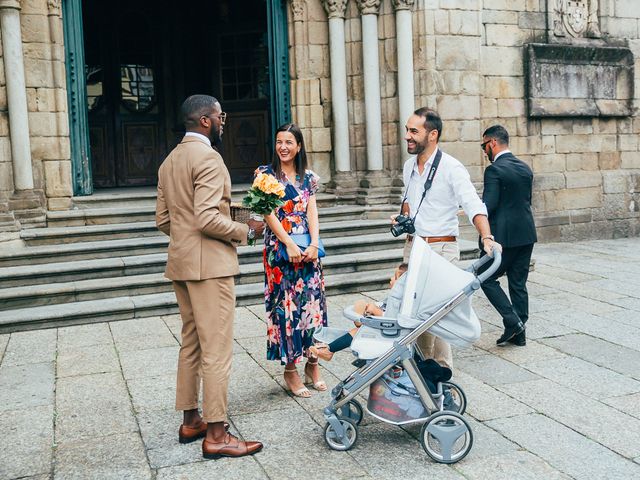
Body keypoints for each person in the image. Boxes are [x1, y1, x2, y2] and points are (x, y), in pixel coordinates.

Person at [156, 95, 264, 459]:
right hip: (210, 268)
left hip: (182, 265)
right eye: (220, 117)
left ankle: (191, 420)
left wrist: (190, 242)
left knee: (192, 343)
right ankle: (216, 435)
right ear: (205, 120)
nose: (223, 122)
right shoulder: (209, 158)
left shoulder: (171, 160)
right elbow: (206, 217)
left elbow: (164, 220)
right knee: (216, 350)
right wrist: (245, 231)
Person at [395, 107, 499, 369]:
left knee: (440, 315)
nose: (407, 135)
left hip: (442, 248)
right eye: (407, 129)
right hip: (415, 247)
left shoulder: (452, 167)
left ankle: (442, 372)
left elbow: (474, 205)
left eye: (413, 131)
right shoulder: (409, 167)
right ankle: (419, 370)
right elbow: (411, 204)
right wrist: (402, 217)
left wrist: (486, 237)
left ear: (432, 134)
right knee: (414, 314)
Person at [257, 123, 328, 398]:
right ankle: (290, 369)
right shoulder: (265, 175)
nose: (283, 147)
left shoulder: (309, 178)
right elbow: (266, 213)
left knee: (312, 306)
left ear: (299, 146)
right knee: (285, 310)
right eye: (279, 142)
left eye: (289, 142)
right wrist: (288, 242)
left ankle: (313, 362)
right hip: (280, 251)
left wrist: (312, 243)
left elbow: (312, 211)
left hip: (307, 250)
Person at [479, 125, 536, 346]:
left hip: (504, 237)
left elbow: (489, 206)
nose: (484, 151)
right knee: (518, 284)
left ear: (492, 143)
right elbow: (525, 201)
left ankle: (513, 322)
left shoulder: (494, 170)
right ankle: (519, 335)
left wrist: (475, 213)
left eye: (484, 146)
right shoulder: (525, 167)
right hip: (527, 234)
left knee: (484, 278)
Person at [309, 263, 407, 361]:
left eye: (395, 278)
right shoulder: (397, 299)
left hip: (390, 332)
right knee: (361, 328)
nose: (391, 279)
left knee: (359, 332)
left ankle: (329, 350)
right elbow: (385, 307)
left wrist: (376, 311)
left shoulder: (403, 302)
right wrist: (372, 307)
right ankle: (359, 322)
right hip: (386, 329)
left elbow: (393, 318)